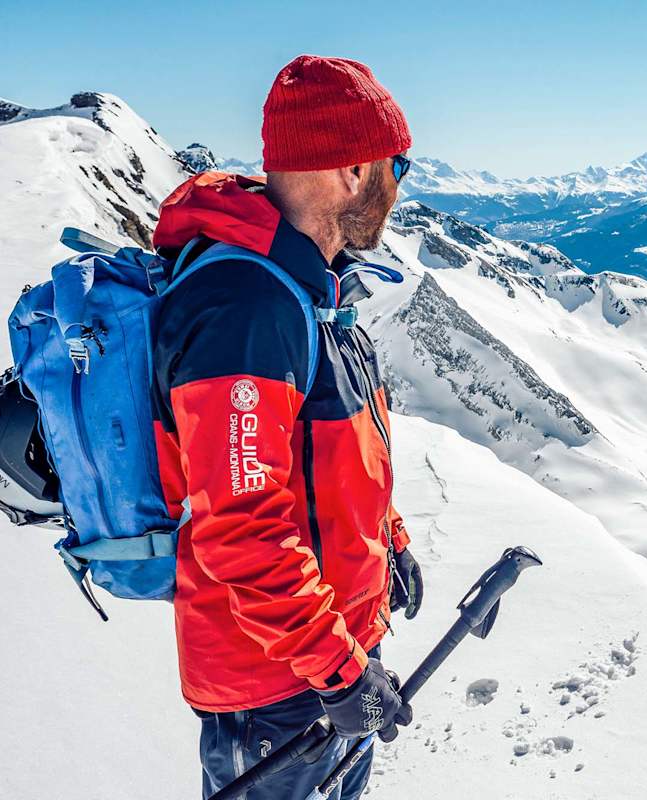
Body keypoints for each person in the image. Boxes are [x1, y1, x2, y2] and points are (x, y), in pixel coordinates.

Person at [148, 54, 423, 799]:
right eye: (398, 164)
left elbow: (330, 458)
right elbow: (242, 525)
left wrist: (388, 541)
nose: (402, 188)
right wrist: (335, 670)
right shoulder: (246, 309)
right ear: (354, 171)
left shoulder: (310, 290)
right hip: (276, 693)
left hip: (331, 666)